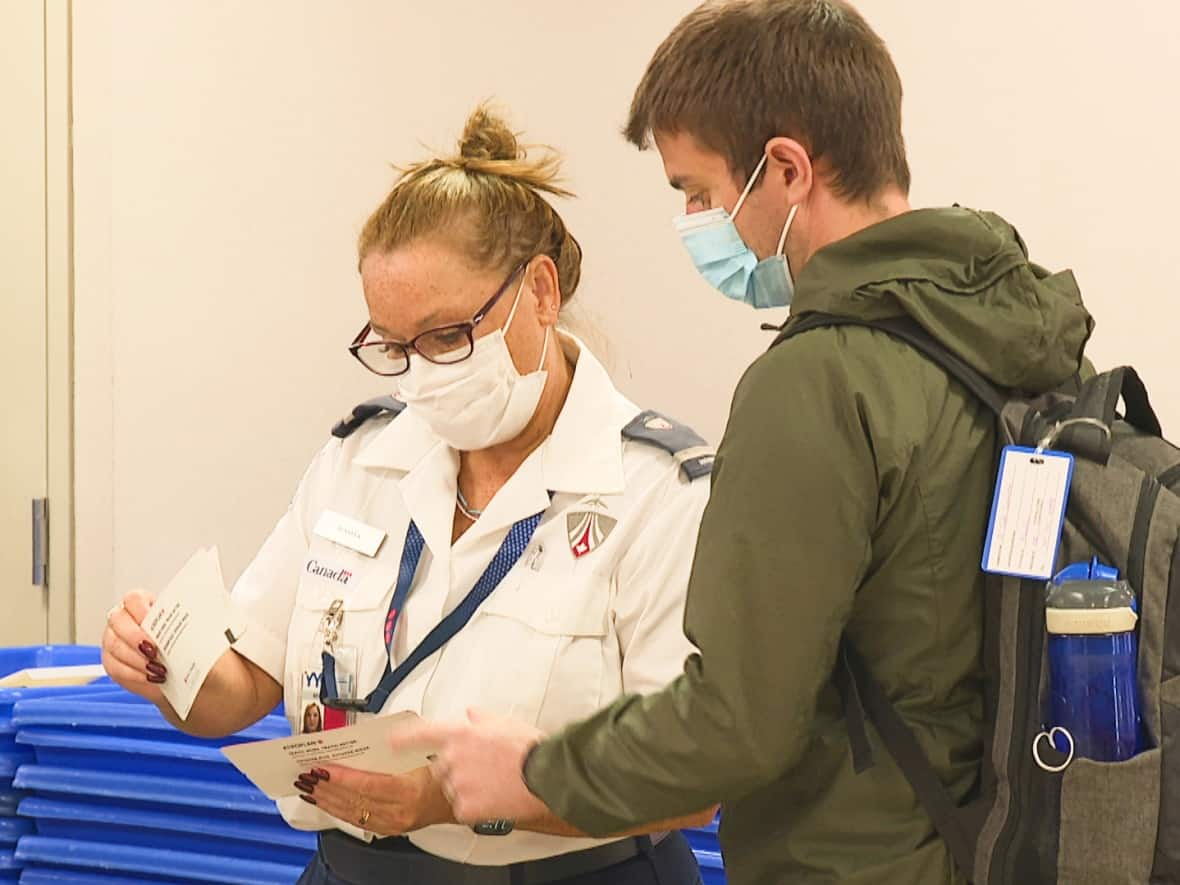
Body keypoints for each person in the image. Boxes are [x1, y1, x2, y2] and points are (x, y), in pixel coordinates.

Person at [394, 3, 1096, 884]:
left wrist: (531, 769)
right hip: (1005, 842)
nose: (694, 218)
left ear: (789, 169)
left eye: (699, 191)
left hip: (857, 861)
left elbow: (737, 724)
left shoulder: (818, 380)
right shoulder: (1011, 328)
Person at [100, 106, 716, 884]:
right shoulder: (361, 461)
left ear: (540, 291)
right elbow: (245, 683)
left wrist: (460, 800)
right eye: (394, 346)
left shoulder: (657, 492)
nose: (423, 374)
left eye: (447, 336)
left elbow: (692, 783)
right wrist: (166, 666)